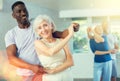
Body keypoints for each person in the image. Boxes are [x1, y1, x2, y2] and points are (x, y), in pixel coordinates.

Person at [4, 1, 79, 81]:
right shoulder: (11, 34)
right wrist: (32, 67)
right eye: (19, 12)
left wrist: (73, 28)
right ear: (13, 15)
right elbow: (11, 59)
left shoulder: (38, 28)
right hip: (24, 75)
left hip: (41, 73)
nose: (23, 13)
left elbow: (62, 34)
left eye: (24, 10)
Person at [33, 15, 74, 81]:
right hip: (50, 78)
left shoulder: (61, 41)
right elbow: (50, 52)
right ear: (37, 32)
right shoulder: (37, 43)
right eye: (39, 28)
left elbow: (70, 62)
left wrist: (55, 70)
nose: (43, 29)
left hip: (67, 76)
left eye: (45, 25)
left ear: (51, 26)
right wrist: (69, 36)